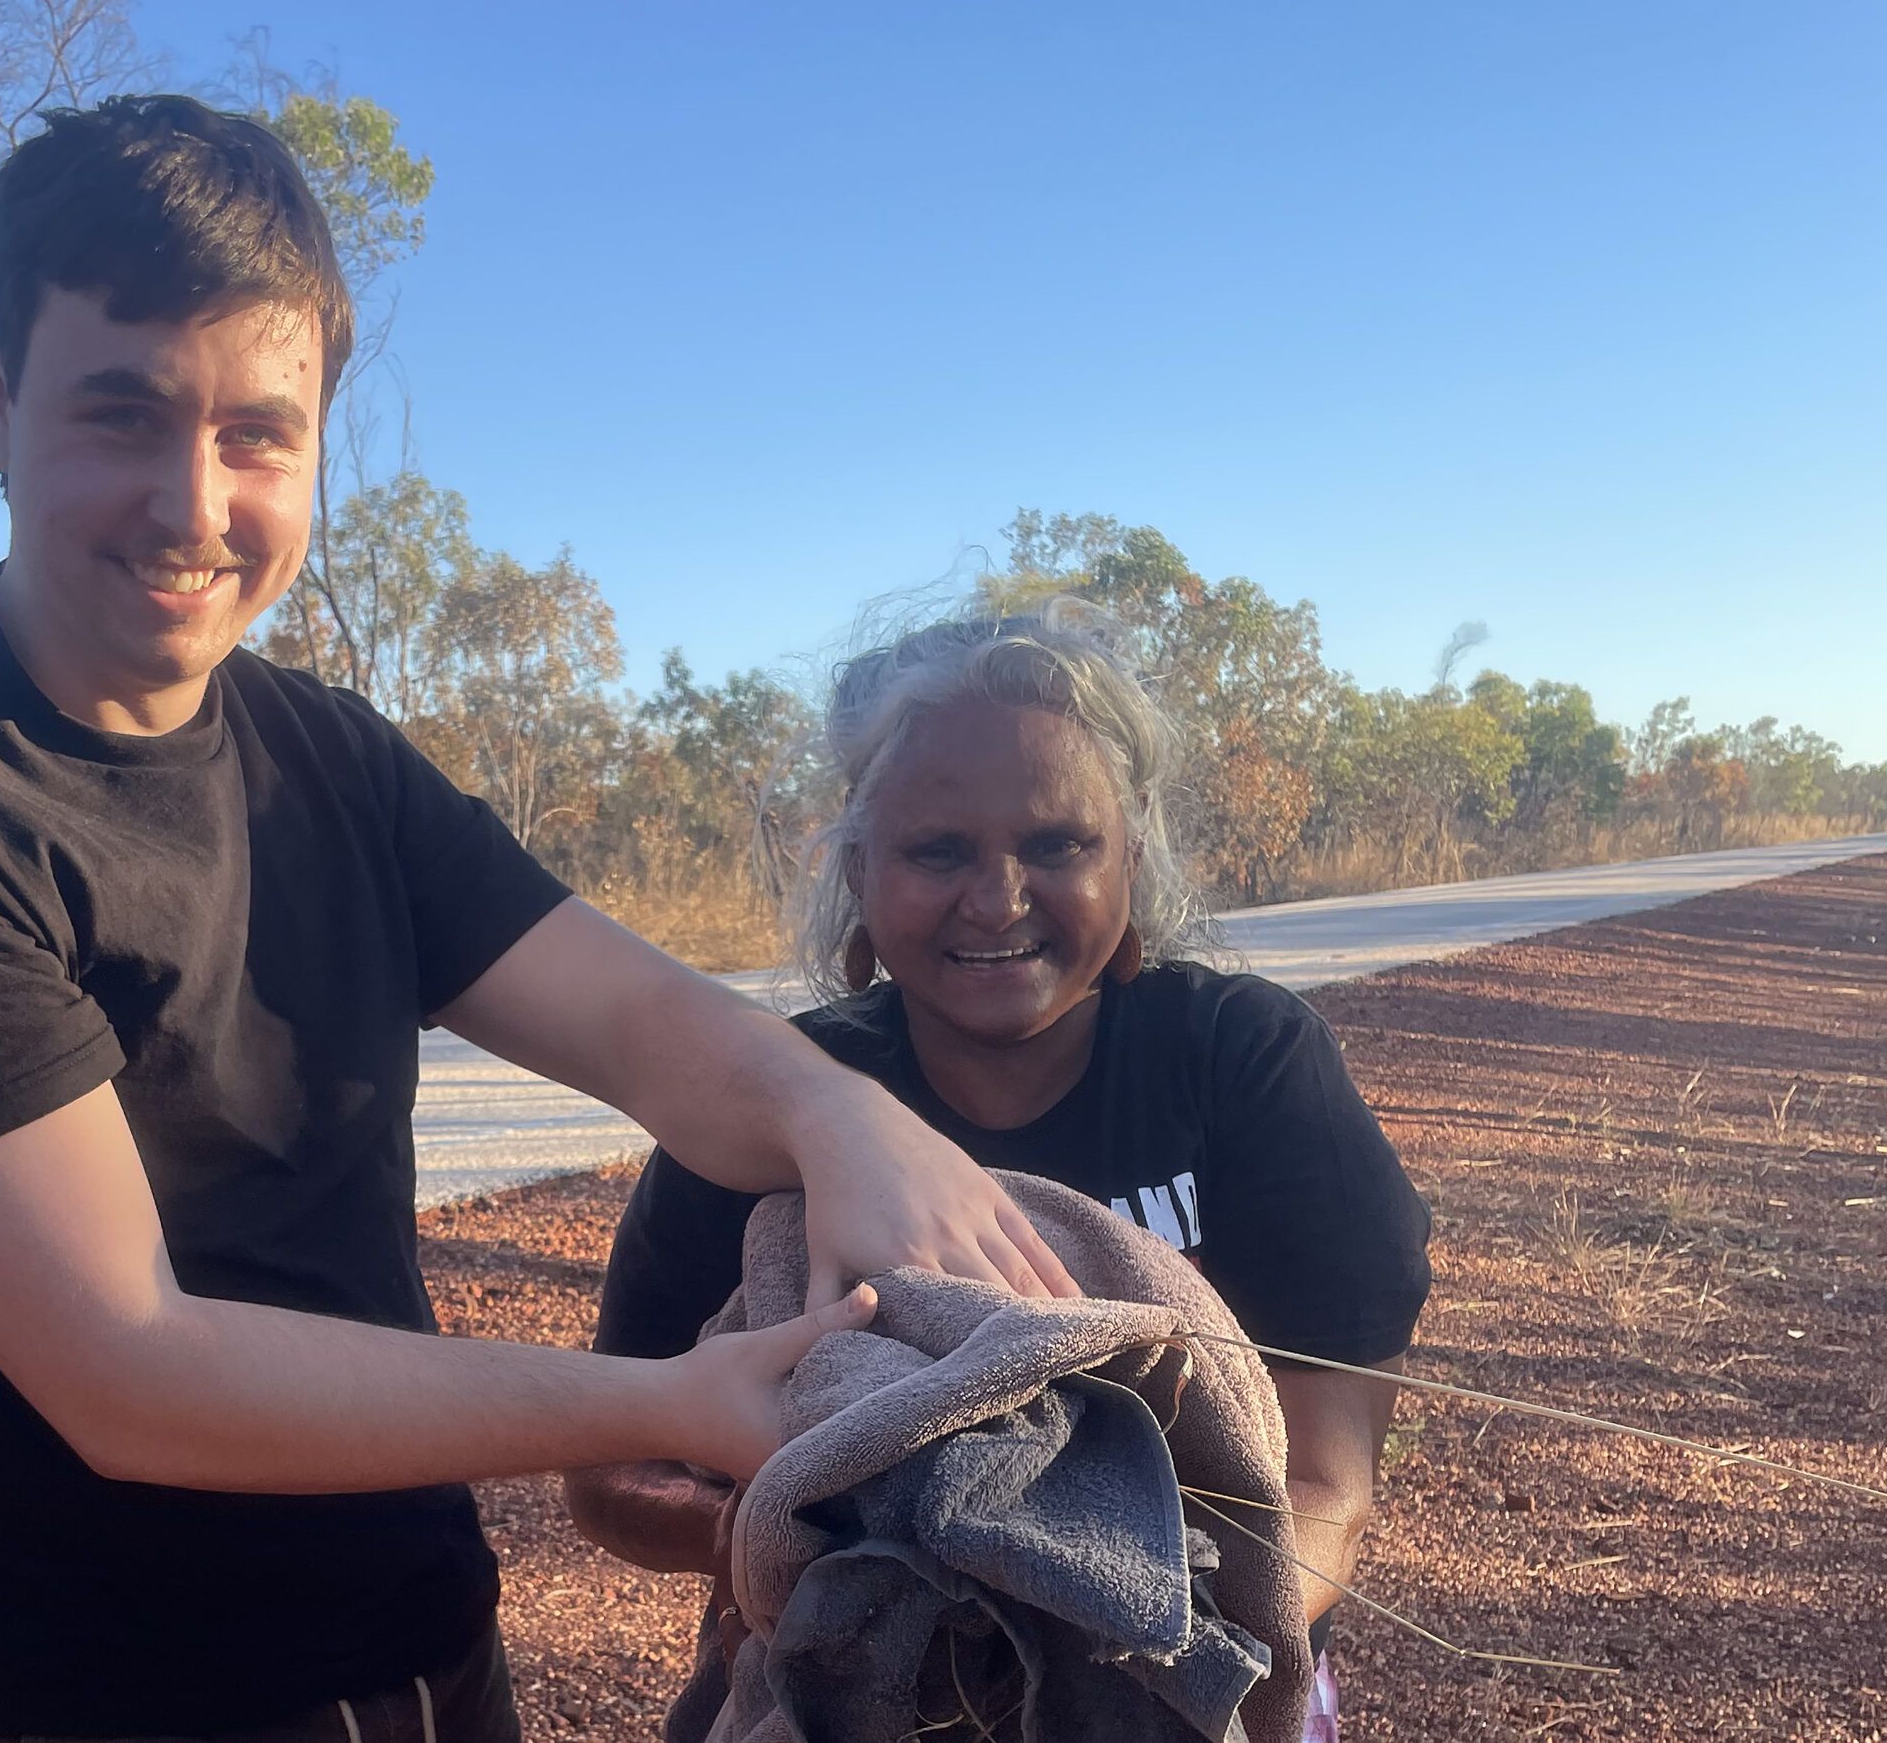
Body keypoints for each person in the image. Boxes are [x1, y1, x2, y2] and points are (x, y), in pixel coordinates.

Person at [0, 96, 1077, 1743]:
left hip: (418, 1649)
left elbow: (640, 1021)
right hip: (84, 1695)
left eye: (257, 434)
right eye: (121, 413)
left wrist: (830, 1110)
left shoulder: (327, 760)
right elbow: (132, 1373)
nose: (193, 501)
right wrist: (670, 1403)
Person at [567, 606, 1434, 1743]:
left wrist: (1112, 1648)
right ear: (859, 873)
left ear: (1132, 858)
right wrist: (783, 1529)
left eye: (1059, 844)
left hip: (1181, 1682)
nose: (1000, 897)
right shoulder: (768, 1103)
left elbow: (1326, 1488)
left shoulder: (1241, 1064)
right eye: (940, 850)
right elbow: (607, 1478)